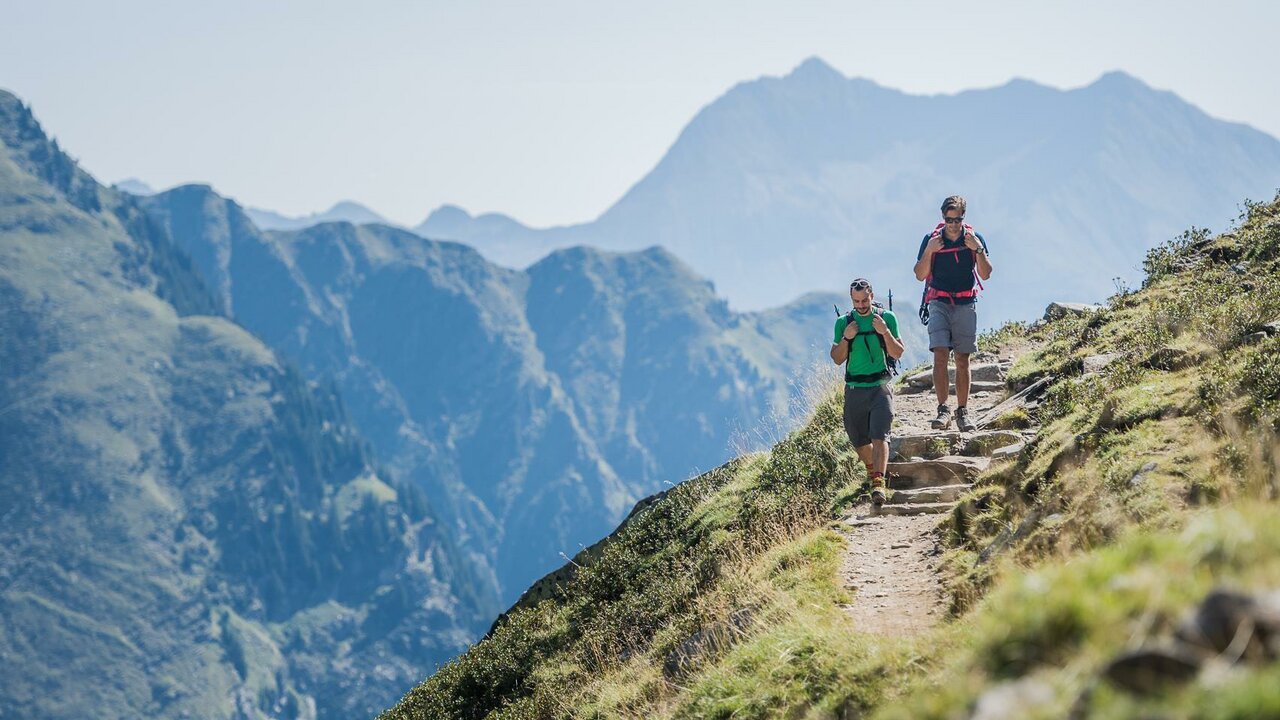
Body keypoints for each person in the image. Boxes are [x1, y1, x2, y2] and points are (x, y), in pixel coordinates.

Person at [913, 195, 993, 432]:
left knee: (962, 358)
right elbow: (919, 274)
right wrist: (929, 251)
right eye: (949, 220)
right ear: (943, 217)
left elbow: (986, 273)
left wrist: (978, 249)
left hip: (965, 302)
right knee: (940, 353)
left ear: (963, 217)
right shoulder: (931, 240)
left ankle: (962, 411)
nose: (954, 225)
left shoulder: (974, 239)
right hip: (938, 301)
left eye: (957, 219)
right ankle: (943, 409)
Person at [831, 278, 905, 506]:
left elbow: (898, 352)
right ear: (851, 300)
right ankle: (873, 471)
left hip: (881, 386)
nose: (861, 305)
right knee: (859, 439)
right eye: (857, 301)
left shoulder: (886, 318)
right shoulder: (844, 323)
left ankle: (878, 484)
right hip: (855, 388)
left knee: (880, 435)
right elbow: (837, 358)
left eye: (865, 300)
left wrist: (885, 332)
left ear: (872, 296)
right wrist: (847, 337)